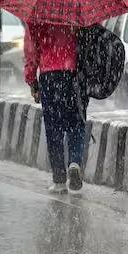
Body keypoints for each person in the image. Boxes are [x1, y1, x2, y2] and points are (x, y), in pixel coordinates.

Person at [24, 23, 88, 193]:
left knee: (54, 130)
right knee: (76, 123)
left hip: (49, 77)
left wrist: (32, 81)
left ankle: (59, 180)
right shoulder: (77, 13)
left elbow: (31, 54)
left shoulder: (37, 16)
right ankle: (74, 162)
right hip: (73, 76)